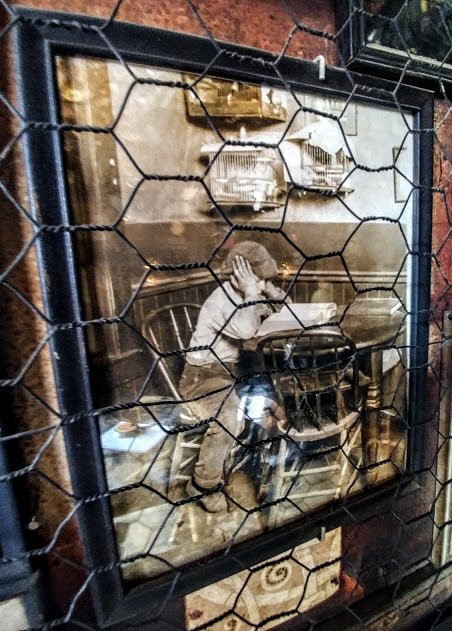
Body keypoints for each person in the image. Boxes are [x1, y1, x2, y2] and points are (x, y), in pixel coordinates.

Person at [178, 241, 287, 513]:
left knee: (274, 392)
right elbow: (248, 331)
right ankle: (202, 485)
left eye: (263, 279)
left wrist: (266, 289)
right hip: (202, 375)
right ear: (239, 274)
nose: (261, 283)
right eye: (257, 277)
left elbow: (284, 309)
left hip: (230, 371)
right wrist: (253, 290)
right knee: (229, 419)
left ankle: (252, 458)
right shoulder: (221, 301)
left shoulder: (247, 294)